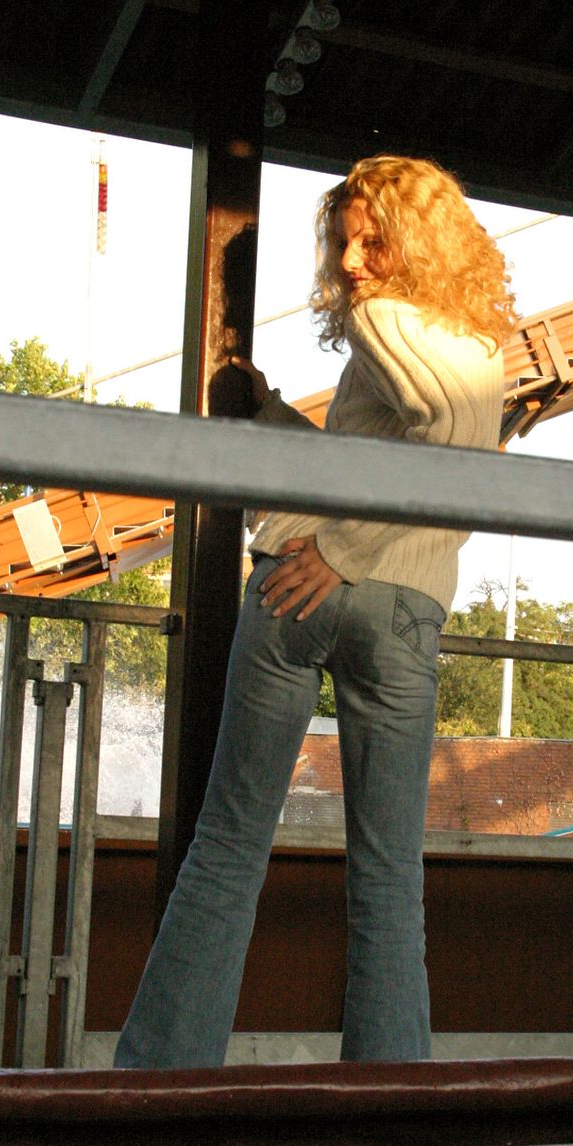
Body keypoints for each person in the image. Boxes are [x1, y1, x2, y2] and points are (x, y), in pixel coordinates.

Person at [114, 154, 516, 1068]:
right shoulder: (476, 344)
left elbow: (450, 447)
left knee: (227, 845)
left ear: (419, 242)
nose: (354, 264)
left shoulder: (383, 319)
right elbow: (391, 459)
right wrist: (271, 417)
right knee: (389, 877)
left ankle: (161, 1083)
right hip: (405, 613)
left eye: (374, 242)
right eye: (343, 245)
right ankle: (388, 1103)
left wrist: (341, 552)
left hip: (305, 584)